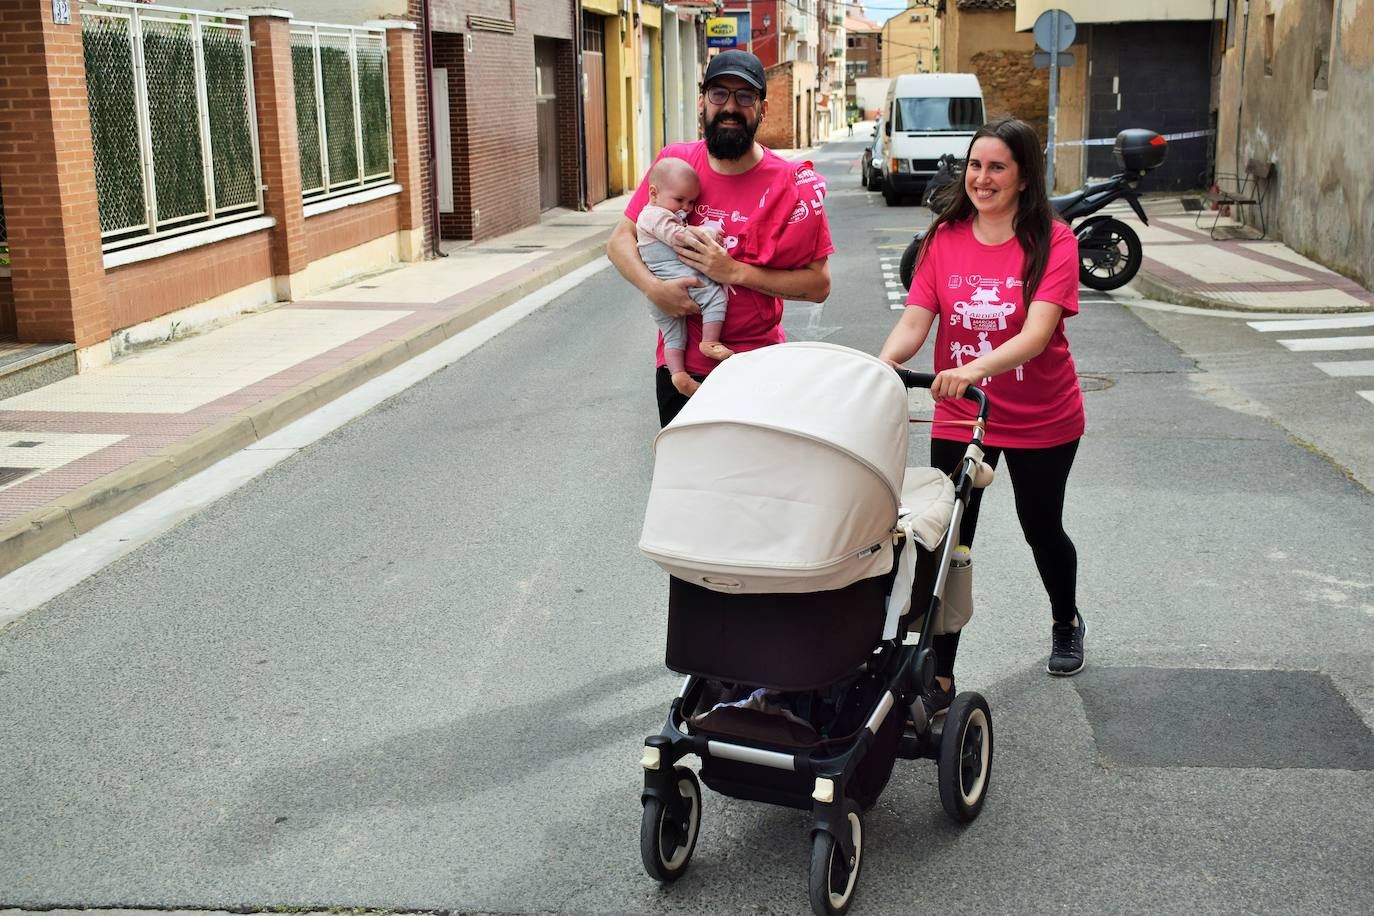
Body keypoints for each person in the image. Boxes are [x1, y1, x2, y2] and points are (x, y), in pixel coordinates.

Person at [878, 117, 1087, 711]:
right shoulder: (944, 238)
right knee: (949, 539)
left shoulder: (1054, 240)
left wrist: (972, 370)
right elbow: (917, 320)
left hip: (1041, 414)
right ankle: (940, 672)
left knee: (1040, 526)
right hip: (960, 414)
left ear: (1024, 177)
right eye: (975, 165)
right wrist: (881, 366)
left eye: (997, 167)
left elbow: (1038, 333)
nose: (982, 178)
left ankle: (1065, 619)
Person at [608, 49, 835, 428]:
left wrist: (734, 272)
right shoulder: (675, 165)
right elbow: (619, 240)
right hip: (683, 372)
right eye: (719, 94)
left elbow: (819, 285)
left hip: (757, 365)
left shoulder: (790, 182)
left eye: (744, 97)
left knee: (756, 483)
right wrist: (653, 289)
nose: (730, 106)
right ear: (703, 103)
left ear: (762, 108)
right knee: (686, 483)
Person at [635, 157, 733, 398]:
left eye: (691, 202)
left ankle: (678, 375)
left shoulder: (659, 216)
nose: (686, 208)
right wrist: (707, 233)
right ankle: (710, 341)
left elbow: (678, 230)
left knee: (674, 336)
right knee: (716, 296)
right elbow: (679, 236)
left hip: (661, 296)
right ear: (654, 193)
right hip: (682, 284)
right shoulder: (654, 215)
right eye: (679, 199)